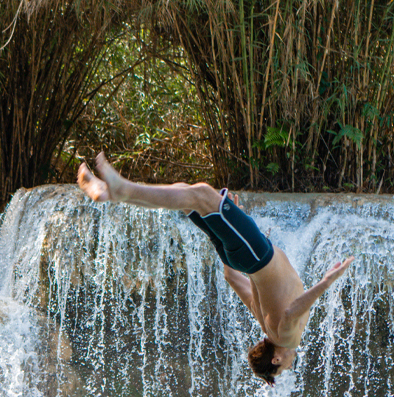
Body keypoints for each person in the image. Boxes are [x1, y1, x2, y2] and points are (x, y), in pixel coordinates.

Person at [76, 152, 354, 383]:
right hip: (239, 258)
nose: (290, 365)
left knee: (200, 195)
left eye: (282, 368)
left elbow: (295, 310)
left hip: (256, 254)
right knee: (191, 195)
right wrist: (226, 232)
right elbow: (232, 277)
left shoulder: (285, 336)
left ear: (276, 358)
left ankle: (120, 191)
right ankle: (113, 191)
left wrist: (327, 282)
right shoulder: (265, 321)